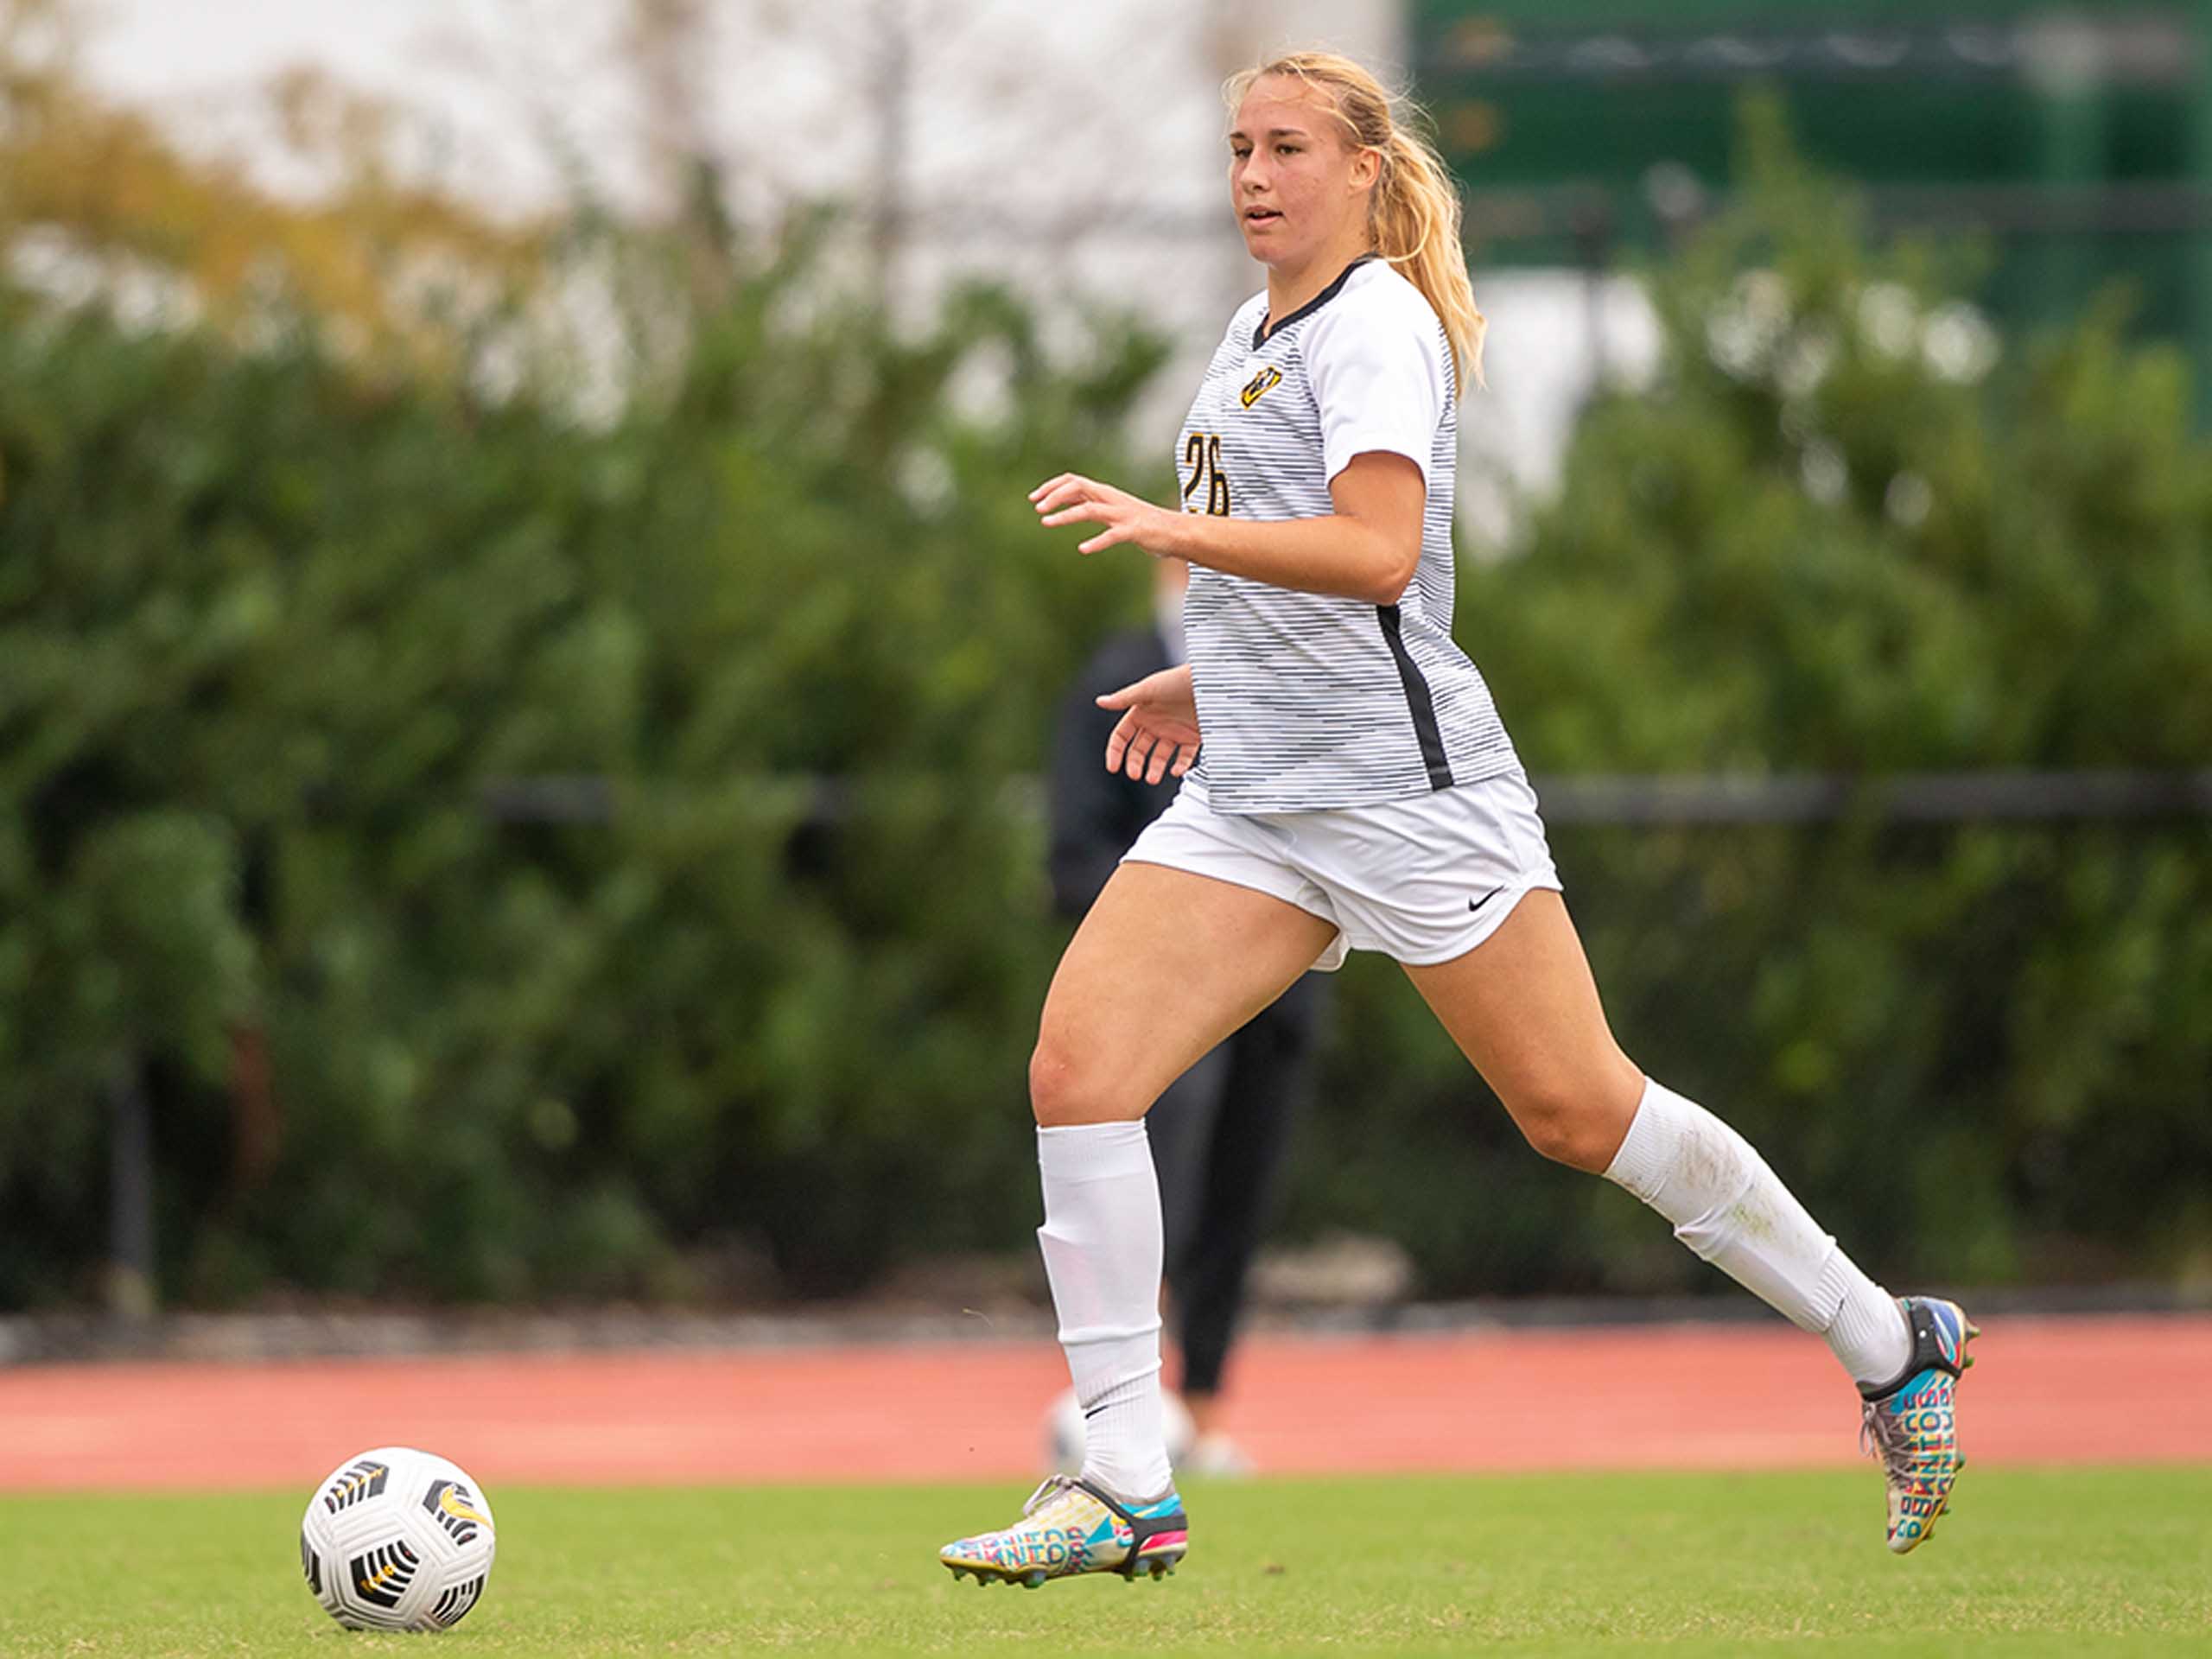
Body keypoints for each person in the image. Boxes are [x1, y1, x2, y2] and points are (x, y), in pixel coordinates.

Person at [938, 49, 1974, 1589]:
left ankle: (1890, 1343)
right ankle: (1124, 1478)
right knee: (1077, 1069)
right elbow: (1328, 599)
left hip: (1411, 801)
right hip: (1263, 798)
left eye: (1288, 146)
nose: (1253, 176)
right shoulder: (1249, 331)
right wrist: (1208, 689)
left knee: (1580, 1110)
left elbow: (1373, 555)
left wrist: (1171, 527)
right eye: (1237, 148)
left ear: (1365, 168)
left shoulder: (1379, 326)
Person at [1046, 556, 1328, 1478]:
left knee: (1239, 1198)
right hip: (1160, 987)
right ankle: (1123, 1411)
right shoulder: (1111, 676)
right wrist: (1165, 938)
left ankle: (1203, 1411)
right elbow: (1074, 848)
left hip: (1275, 991)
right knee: (1151, 1181)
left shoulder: (1286, 676)